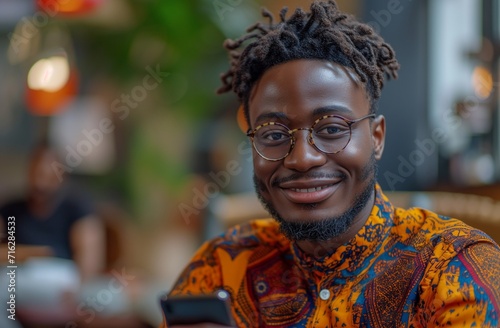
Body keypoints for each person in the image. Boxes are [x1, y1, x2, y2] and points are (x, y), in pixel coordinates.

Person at [160, 1, 500, 327]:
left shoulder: (453, 271)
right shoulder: (222, 269)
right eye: (274, 134)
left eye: (332, 129)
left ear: (377, 137)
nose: (302, 158)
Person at [0, 144, 105, 326]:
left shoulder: (75, 207)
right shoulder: (12, 209)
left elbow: (90, 255)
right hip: (18, 272)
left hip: (61, 274)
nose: (40, 183)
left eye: (47, 175)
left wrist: (80, 288)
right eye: (36, 174)